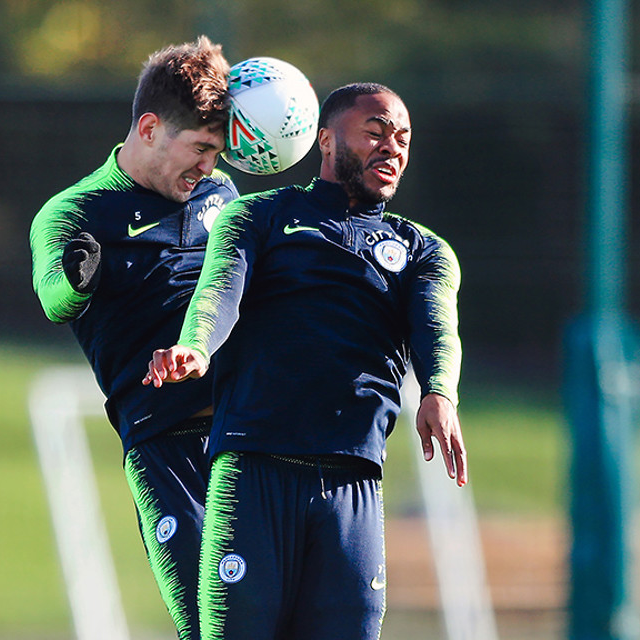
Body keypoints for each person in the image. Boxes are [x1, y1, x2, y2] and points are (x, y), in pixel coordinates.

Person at [143, 82, 467, 640]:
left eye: (403, 139)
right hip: (253, 470)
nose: (392, 147)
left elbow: (438, 325)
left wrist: (440, 389)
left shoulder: (423, 250)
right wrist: (195, 346)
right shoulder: (259, 216)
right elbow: (220, 292)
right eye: (375, 132)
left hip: (353, 486)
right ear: (325, 138)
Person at [28, 36, 237, 640]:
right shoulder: (73, 213)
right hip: (163, 448)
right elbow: (52, 299)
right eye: (199, 148)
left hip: (251, 433)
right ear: (149, 128)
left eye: (217, 152)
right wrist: (76, 277)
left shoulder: (222, 197)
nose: (208, 167)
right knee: (211, 626)